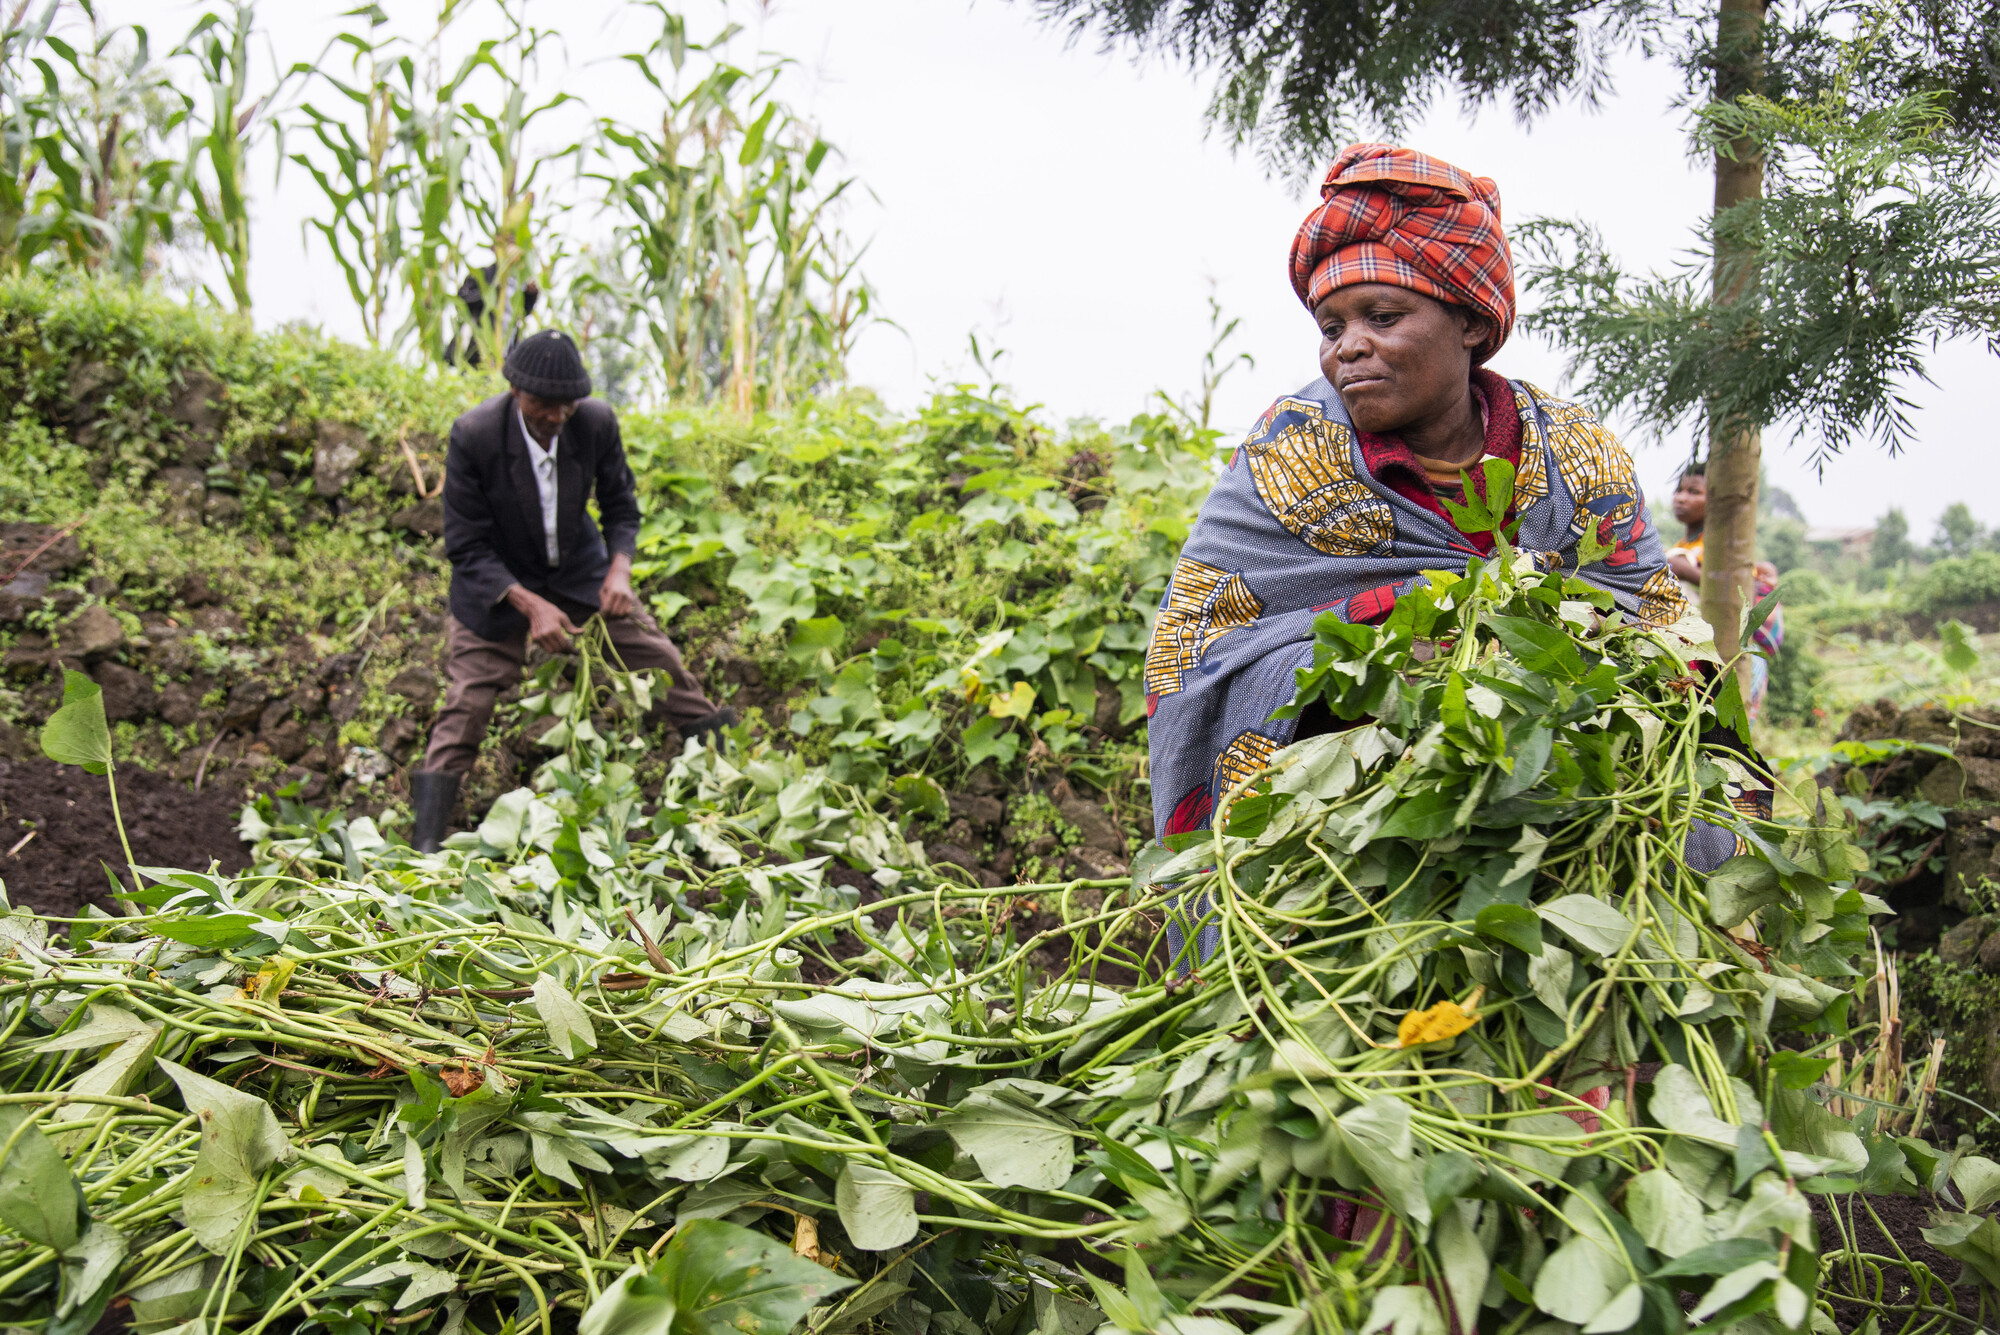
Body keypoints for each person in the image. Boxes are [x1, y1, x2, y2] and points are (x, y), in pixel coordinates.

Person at [1142, 144, 1758, 965]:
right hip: (1349, 847)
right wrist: (1395, 649)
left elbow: (1657, 632)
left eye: (1382, 317)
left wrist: (1537, 652)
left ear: (1470, 322)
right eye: (1332, 328)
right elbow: (1198, 649)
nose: (1347, 347)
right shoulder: (1293, 454)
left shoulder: (1575, 459)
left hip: (1569, 832)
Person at [409, 329, 733, 851]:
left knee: (658, 659)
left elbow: (621, 507)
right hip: (495, 582)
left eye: (566, 405)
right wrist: (530, 604)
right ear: (516, 392)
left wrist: (619, 570)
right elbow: (465, 546)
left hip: (577, 570)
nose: (556, 417)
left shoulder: (595, 422)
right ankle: (425, 843)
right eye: (543, 405)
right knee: (469, 698)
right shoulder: (475, 434)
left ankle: (725, 779)